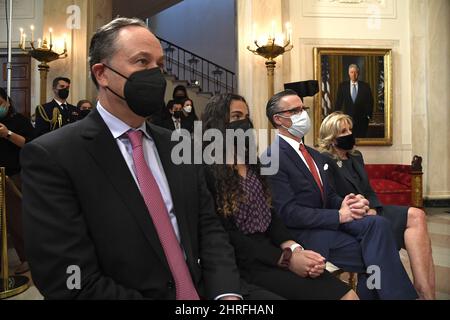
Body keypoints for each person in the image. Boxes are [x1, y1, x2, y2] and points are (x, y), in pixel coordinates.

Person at [20, 17, 241, 300]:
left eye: (160, 66)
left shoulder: (179, 145)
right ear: (102, 73)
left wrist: (227, 294)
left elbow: (209, 228)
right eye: (142, 62)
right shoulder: (53, 157)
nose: (156, 75)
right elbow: (70, 280)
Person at [202, 93, 358, 300]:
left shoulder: (251, 163)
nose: (244, 123)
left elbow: (271, 213)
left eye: (247, 117)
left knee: (348, 295)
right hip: (244, 264)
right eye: (236, 116)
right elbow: (227, 235)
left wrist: (293, 248)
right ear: (218, 123)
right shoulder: (207, 172)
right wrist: (286, 260)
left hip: (274, 251)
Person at [265, 89, 418, 299]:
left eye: (303, 109)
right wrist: (338, 215)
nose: (303, 114)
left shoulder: (313, 154)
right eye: (295, 110)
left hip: (331, 222)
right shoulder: (270, 158)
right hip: (305, 232)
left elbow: (328, 197)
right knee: (379, 253)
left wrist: (348, 203)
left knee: (379, 225)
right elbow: (288, 213)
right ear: (278, 119)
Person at [319, 112, 436, 299]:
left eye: (350, 129)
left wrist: (373, 207)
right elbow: (330, 198)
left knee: (417, 214)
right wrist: (360, 208)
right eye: (343, 131)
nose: (349, 133)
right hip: (351, 215)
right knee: (384, 228)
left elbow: (368, 189)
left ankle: (426, 293)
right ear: (332, 138)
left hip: (370, 209)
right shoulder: (325, 161)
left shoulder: (356, 156)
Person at [0, 87, 34, 274]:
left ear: (7, 101)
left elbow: (30, 145)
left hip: (12, 176)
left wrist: (8, 134)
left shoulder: (19, 121)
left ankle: (27, 257)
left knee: (16, 220)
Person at [335, 64, 374, 138]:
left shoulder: (365, 86)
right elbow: (338, 102)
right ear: (348, 73)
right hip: (347, 120)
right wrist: (337, 116)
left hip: (362, 120)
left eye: (355, 72)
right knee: (348, 139)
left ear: (358, 73)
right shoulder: (343, 86)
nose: (354, 74)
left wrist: (368, 116)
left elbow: (370, 101)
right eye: (352, 72)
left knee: (361, 139)